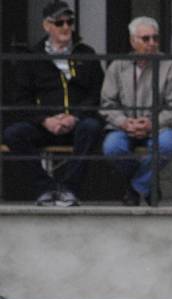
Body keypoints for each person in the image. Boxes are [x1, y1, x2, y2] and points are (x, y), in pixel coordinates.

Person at [2, 0, 104, 207]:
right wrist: (45, 120)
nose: (66, 27)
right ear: (47, 26)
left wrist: (74, 116)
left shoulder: (86, 53)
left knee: (92, 127)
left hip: (77, 122)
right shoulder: (32, 57)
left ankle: (69, 189)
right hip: (45, 124)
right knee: (14, 133)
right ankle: (45, 188)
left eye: (69, 22)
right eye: (60, 23)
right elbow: (22, 99)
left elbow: (96, 93)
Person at [100, 16, 172, 206]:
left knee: (166, 144)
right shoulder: (118, 66)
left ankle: (135, 188)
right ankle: (148, 183)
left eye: (155, 38)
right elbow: (107, 104)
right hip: (124, 127)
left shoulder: (171, 67)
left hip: (160, 127)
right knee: (112, 148)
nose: (152, 43)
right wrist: (124, 122)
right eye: (145, 39)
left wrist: (151, 123)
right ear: (133, 41)